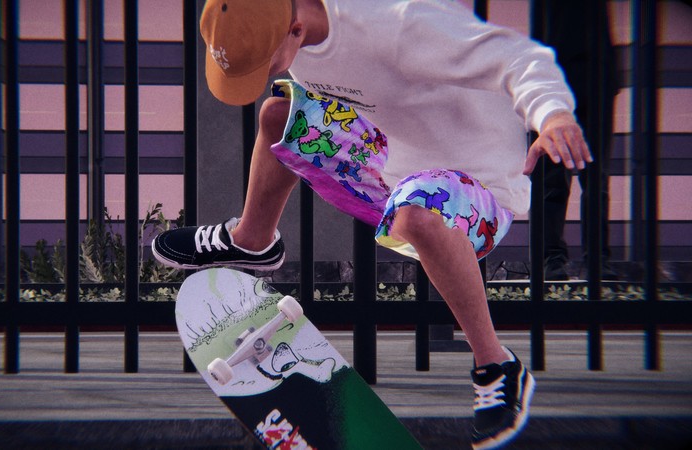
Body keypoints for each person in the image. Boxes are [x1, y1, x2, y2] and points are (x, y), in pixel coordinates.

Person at [153, 1, 592, 448]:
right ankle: (253, 241)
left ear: (296, 29)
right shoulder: (291, 21)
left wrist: (552, 114)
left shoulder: (401, 23)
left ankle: (496, 363)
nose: (264, 74)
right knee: (279, 116)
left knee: (416, 211)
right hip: (392, 170)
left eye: (265, 64)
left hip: (478, 190)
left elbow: (518, 56)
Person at [541, 0, 619, 280]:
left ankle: (590, 260)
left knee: (592, 178)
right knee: (556, 179)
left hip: (589, 72)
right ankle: (555, 260)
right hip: (559, 75)